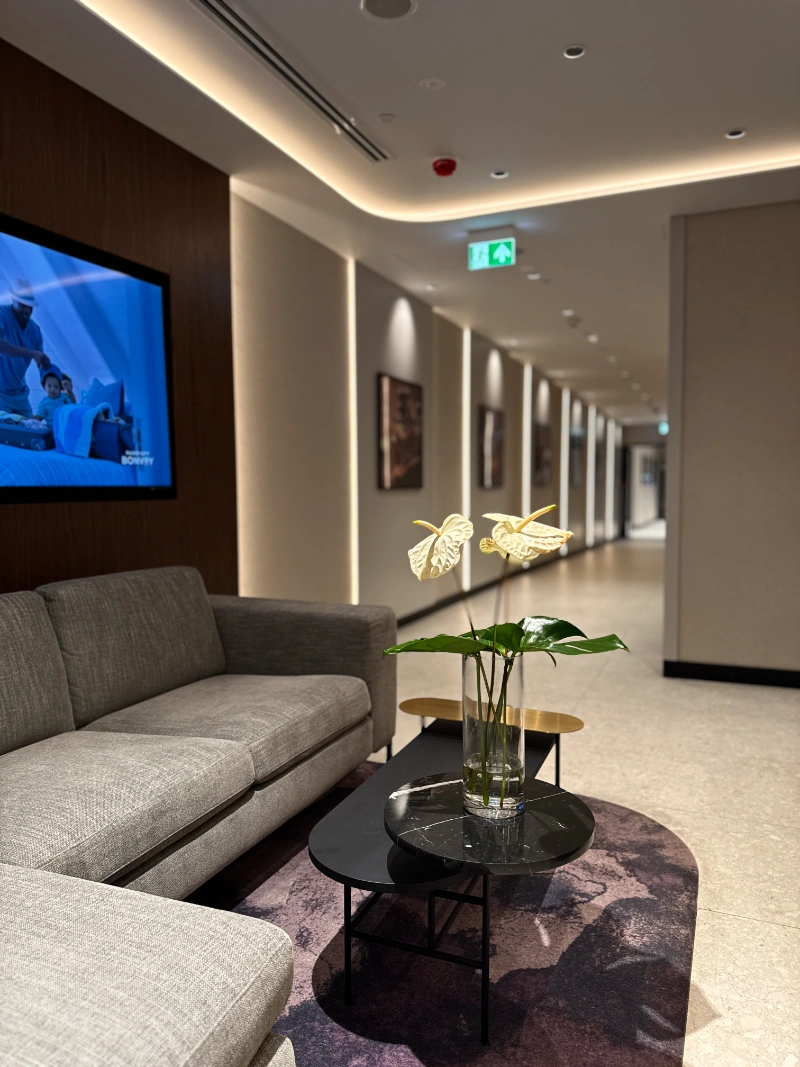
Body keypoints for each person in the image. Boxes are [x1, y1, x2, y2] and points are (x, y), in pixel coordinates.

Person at [0, 279, 51, 416]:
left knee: (29, 428)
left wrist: (55, 380)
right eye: (22, 305)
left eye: (30, 307)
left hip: (21, 396)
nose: (27, 310)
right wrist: (31, 353)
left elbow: (41, 364)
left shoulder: (35, 330)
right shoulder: (2, 314)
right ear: (13, 299)